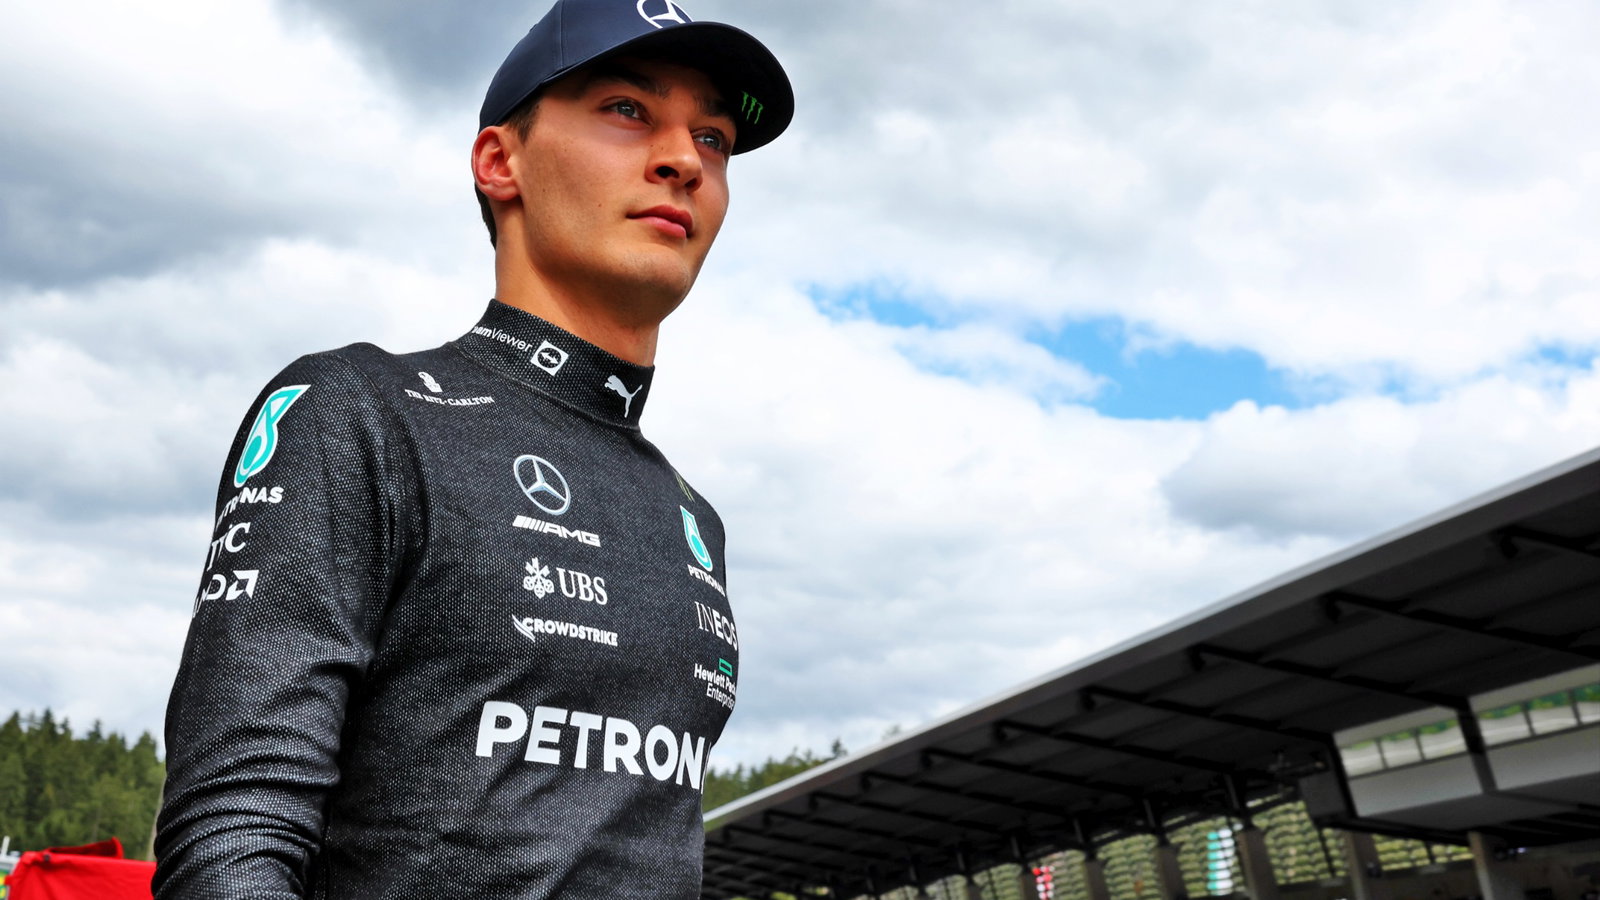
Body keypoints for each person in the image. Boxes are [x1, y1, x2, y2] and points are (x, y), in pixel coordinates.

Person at [151, 1, 792, 897]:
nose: (685, 159)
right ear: (502, 161)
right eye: (627, 110)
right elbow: (233, 837)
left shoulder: (694, 517)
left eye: (714, 138)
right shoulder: (357, 412)